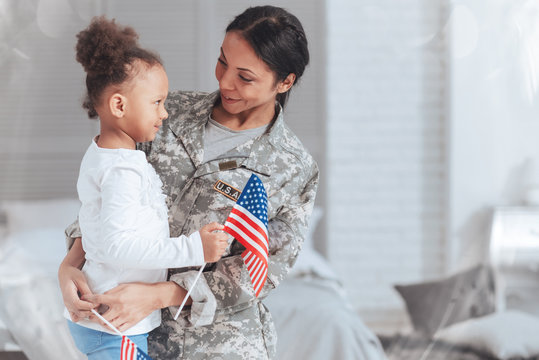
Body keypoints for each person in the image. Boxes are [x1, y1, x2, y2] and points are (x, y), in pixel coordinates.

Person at [58, 5, 319, 359]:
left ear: (284, 82)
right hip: (127, 332)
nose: (224, 81)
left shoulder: (294, 168)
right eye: (222, 61)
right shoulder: (165, 111)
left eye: (245, 76)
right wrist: (71, 264)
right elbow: (109, 188)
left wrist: (161, 294)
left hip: (219, 346)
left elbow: (258, 273)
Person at [62, 16, 229, 359]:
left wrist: (68, 264)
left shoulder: (111, 156)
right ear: (119, 105)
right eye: (156, 102)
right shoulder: (122, 169)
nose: (165, 113)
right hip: (113, 324)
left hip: (110, 321)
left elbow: (98, 224)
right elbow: (120, 246)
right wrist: (193, 249)